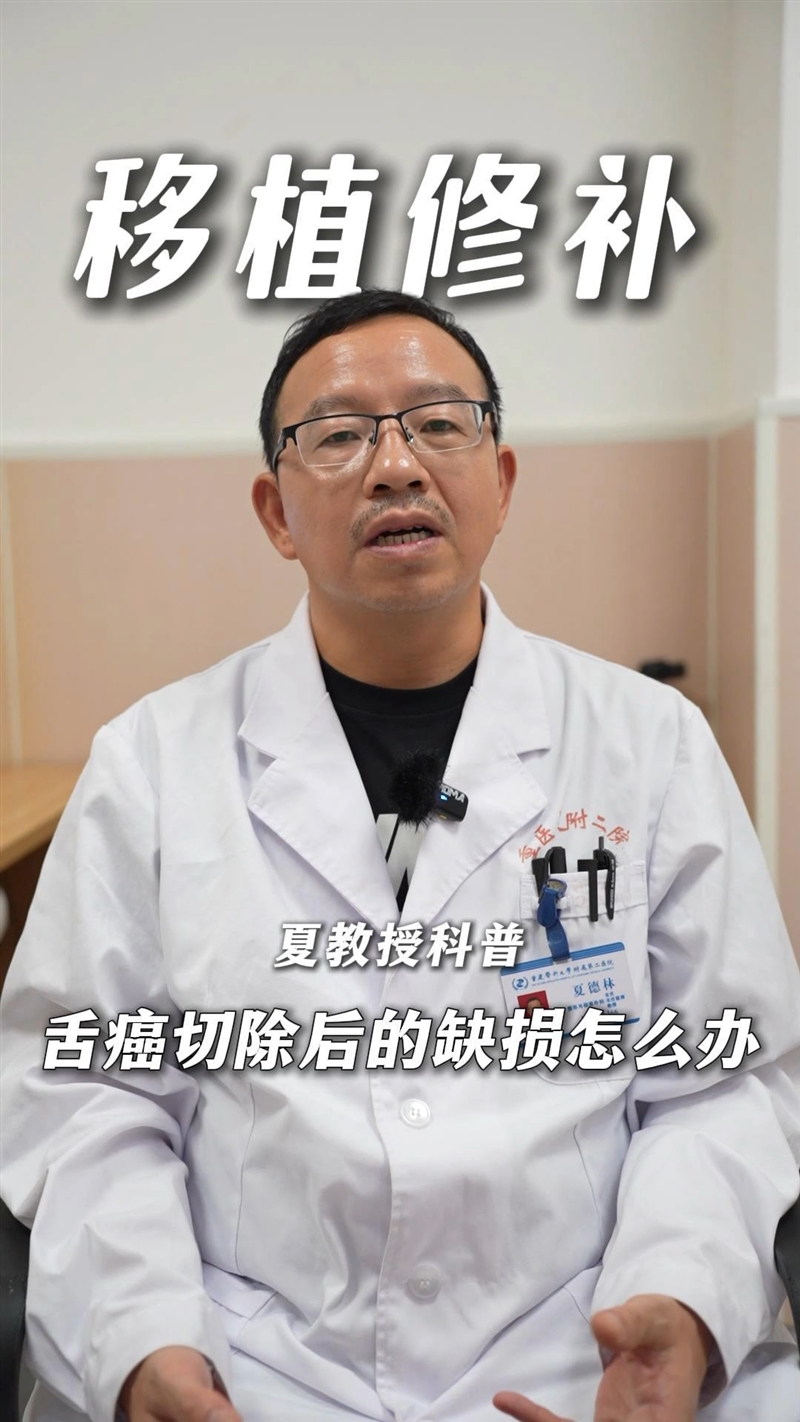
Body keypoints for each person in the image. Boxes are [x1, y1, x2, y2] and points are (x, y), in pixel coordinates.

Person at [1, 288, 798, 1422]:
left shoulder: (649, 743)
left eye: (438, 424)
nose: (394, 467)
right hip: (251, 1363)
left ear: (501, 482)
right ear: (277, 512)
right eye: (337, 435)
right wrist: (144, 1348)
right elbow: (86, 1093)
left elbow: (723, 1082)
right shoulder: (152, 763)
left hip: (583, 1352)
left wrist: (676, 1304)